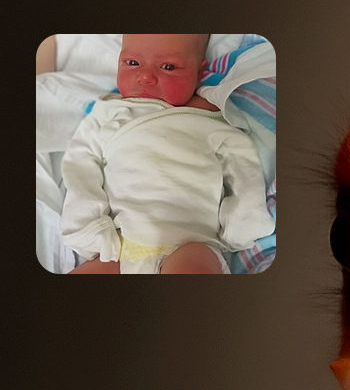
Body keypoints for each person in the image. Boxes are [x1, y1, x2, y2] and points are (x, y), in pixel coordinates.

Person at [61, 34, 274, 274]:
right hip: (120, 247)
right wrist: (88, 226)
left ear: (198, 70)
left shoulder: (210, 115)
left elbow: (242, 163)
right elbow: (79, 165)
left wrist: (243, 220)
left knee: (193, 266)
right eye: (132, 63)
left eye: (168, 66)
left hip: (192, 244)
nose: (145, 76)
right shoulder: (108, 113)